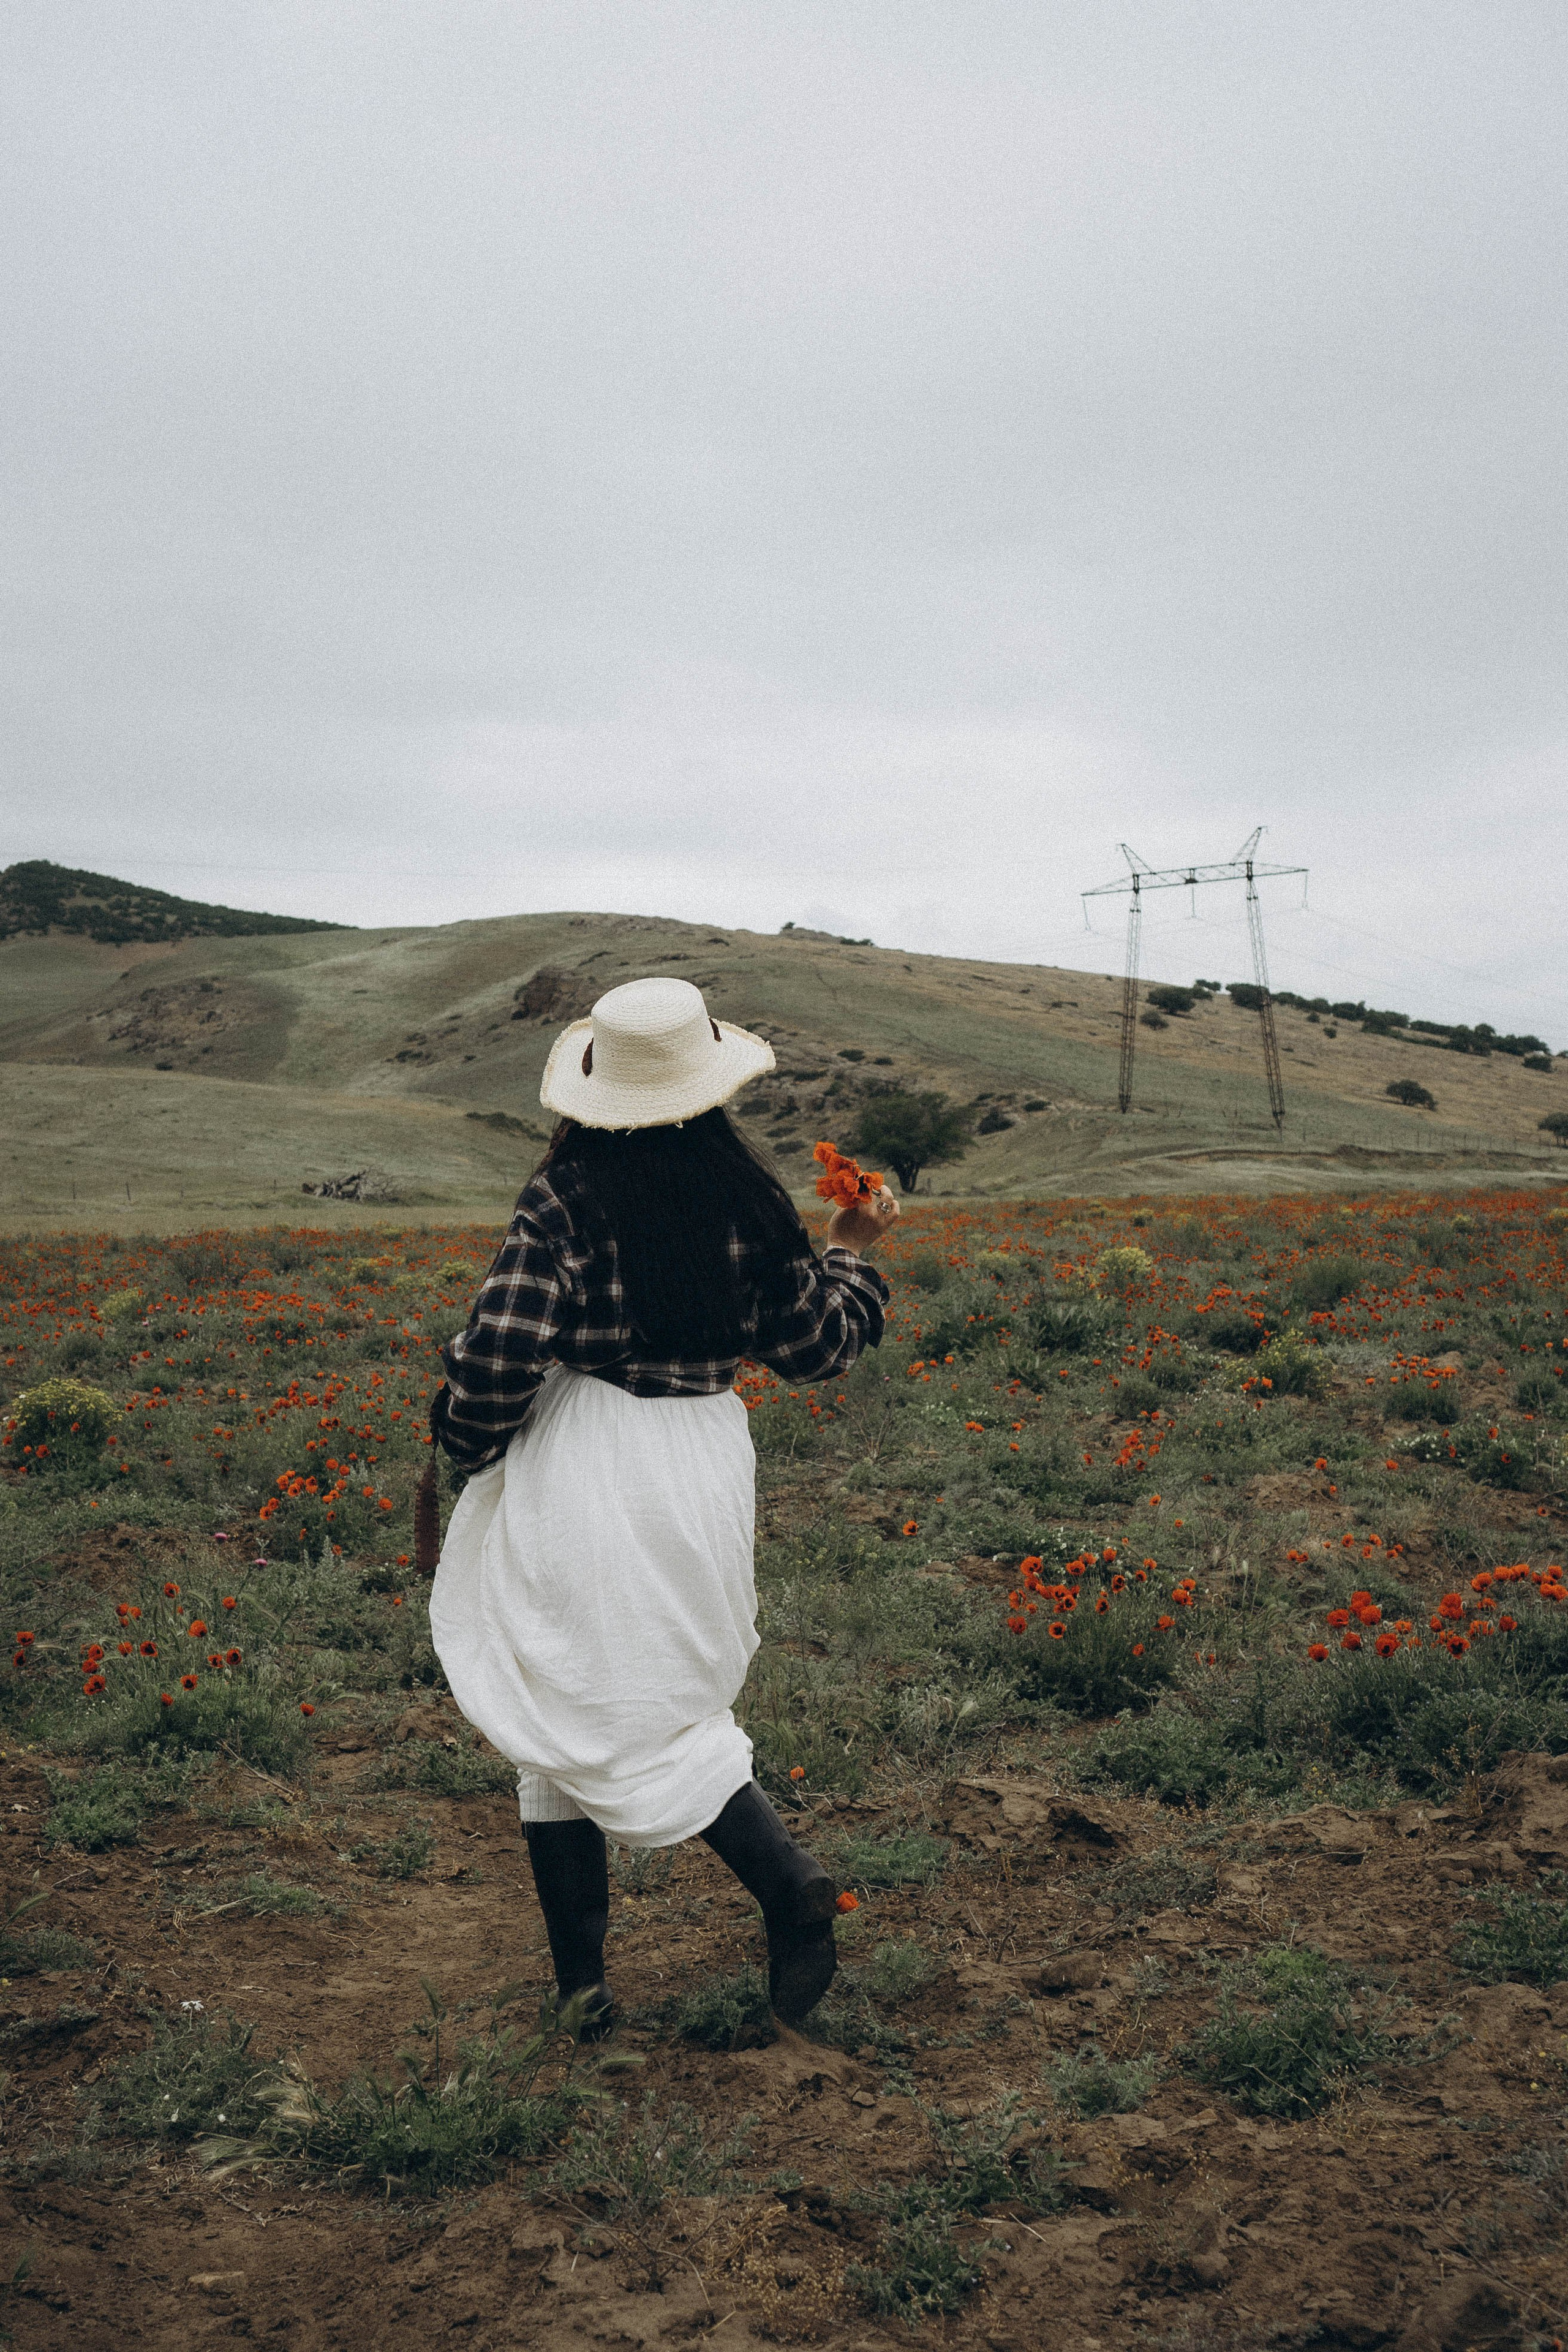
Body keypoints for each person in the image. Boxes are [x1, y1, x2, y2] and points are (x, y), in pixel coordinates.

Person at [427, 976, 897, 2038]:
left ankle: (734, 1912)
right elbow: (818, 1346)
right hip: (702, 1459)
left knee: (577, 1691)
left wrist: (461, 1440)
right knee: (632, 1697)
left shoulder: (565, 1200)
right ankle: (633, 1967)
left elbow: (501, 1353)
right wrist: (853, 1251)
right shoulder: (748, 1199)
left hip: (586, 1455)